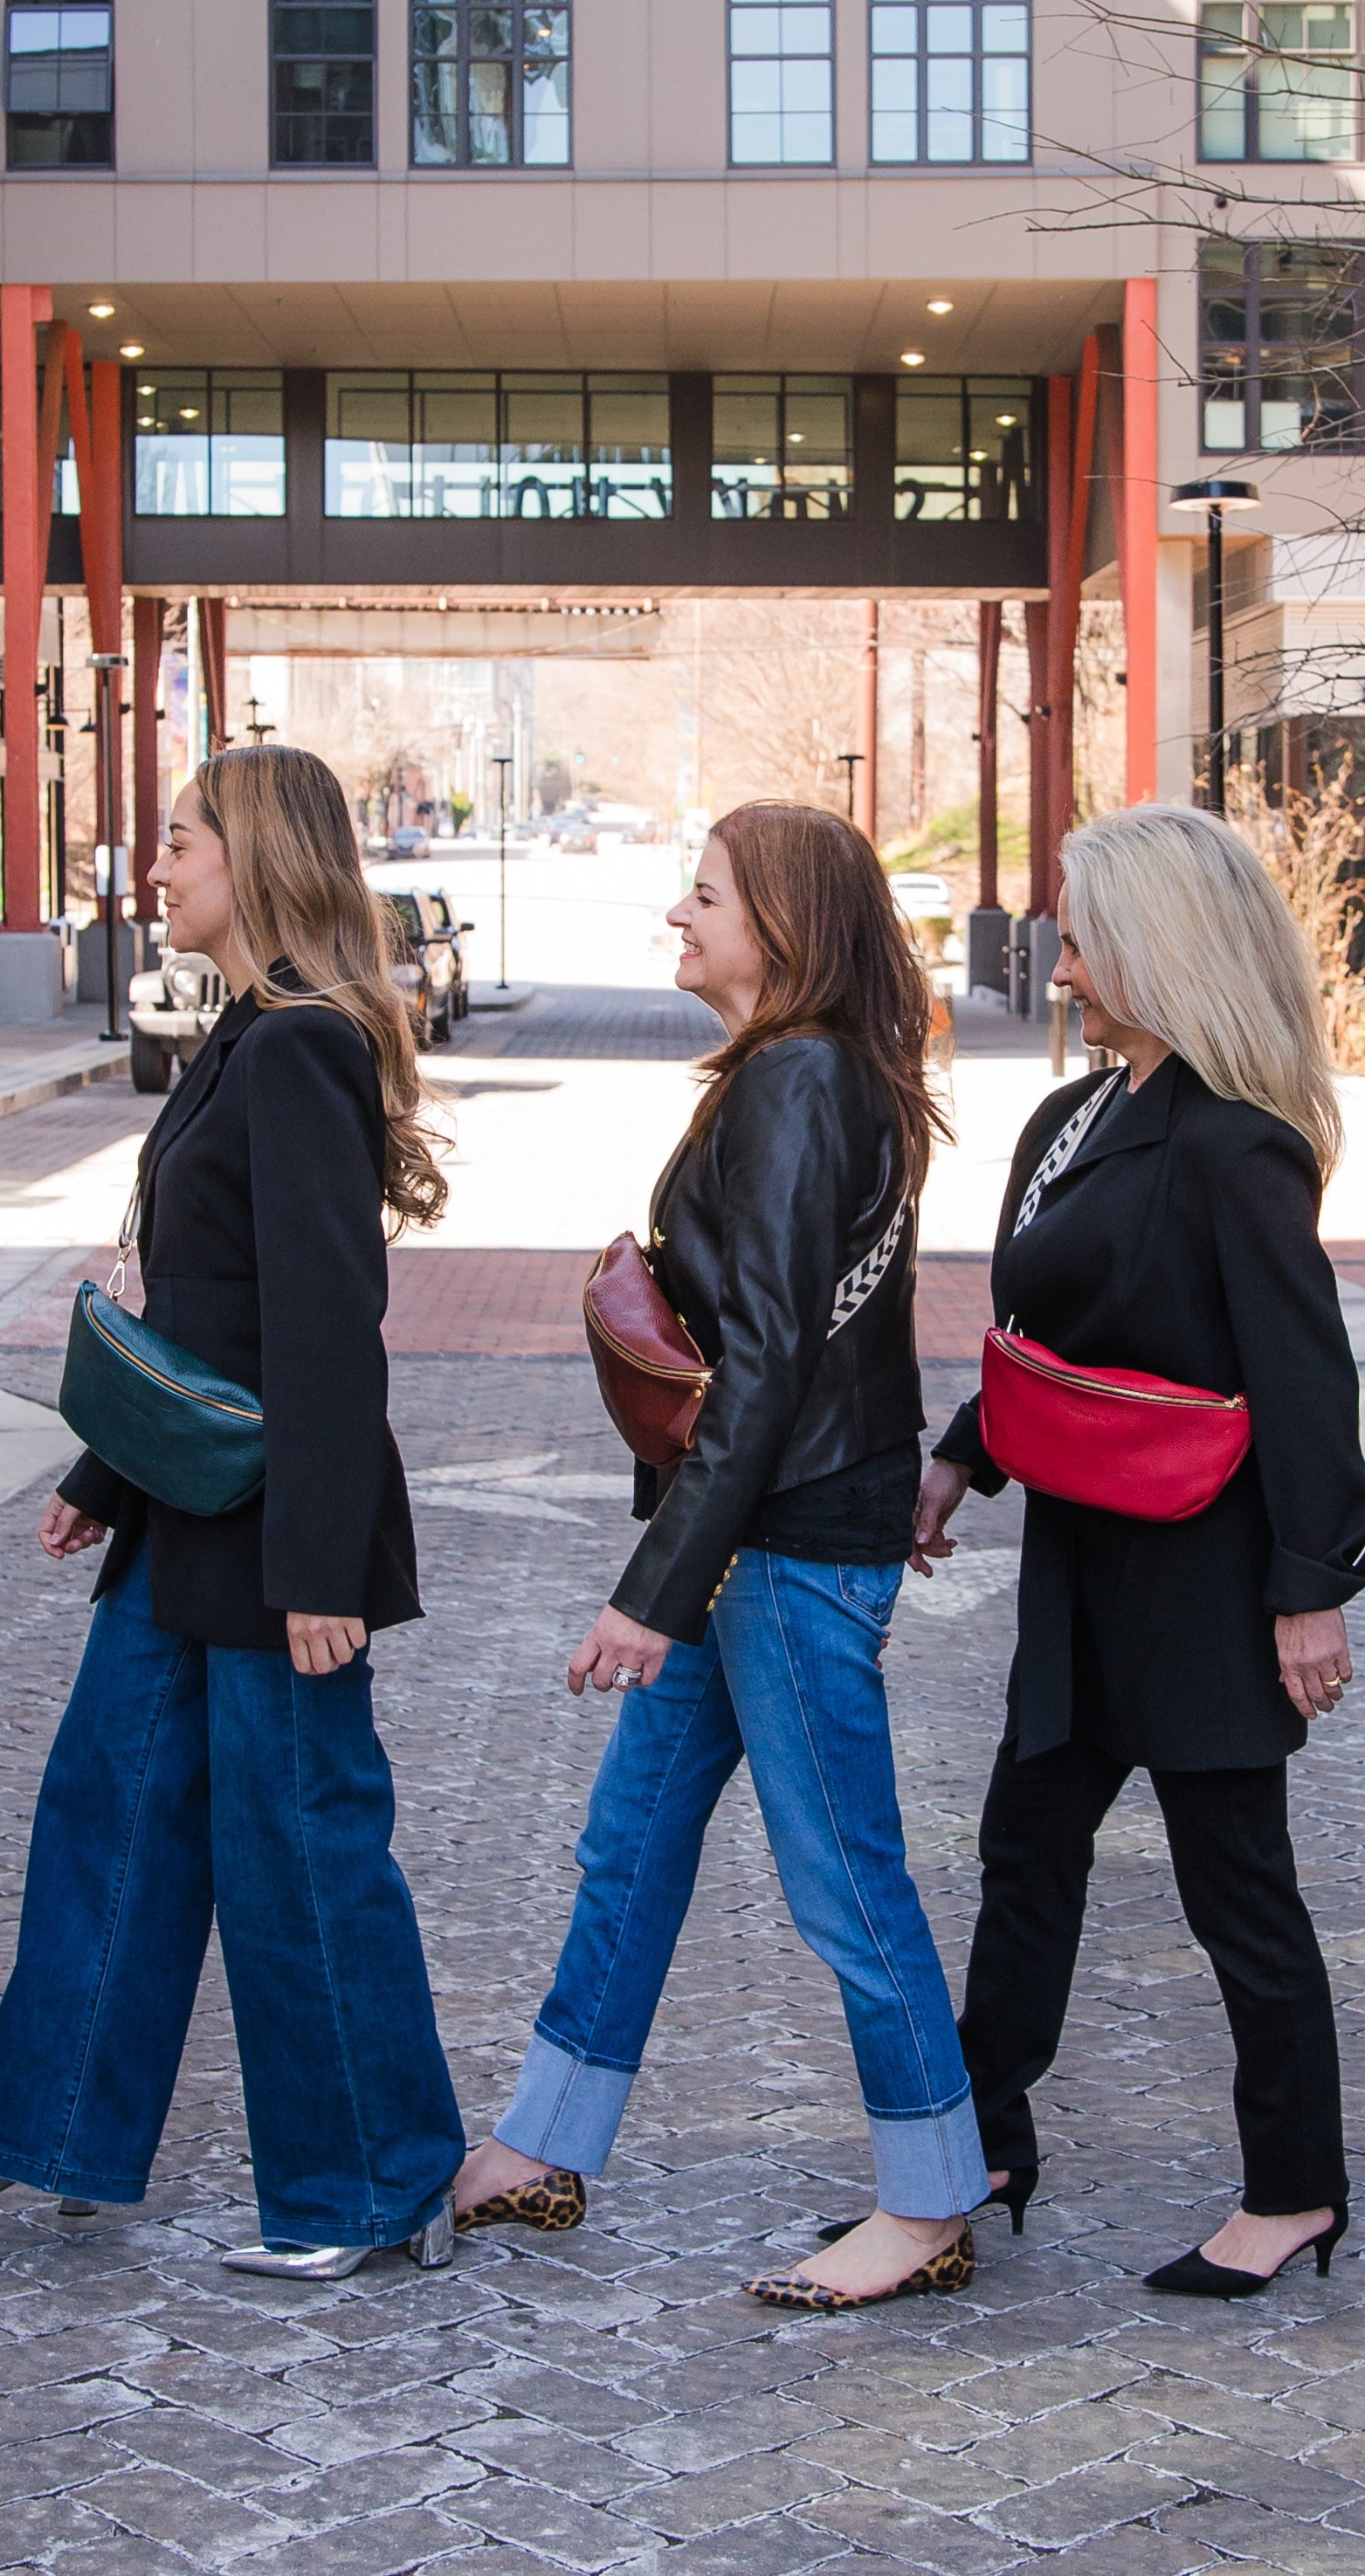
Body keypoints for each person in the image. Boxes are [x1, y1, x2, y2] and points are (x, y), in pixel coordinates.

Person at [0, 744, 466, 2280]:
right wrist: (102, 1474)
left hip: (280, 1531)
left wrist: (322, 1565)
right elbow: (207, 1310)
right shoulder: (242, 1036)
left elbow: (328, 1328)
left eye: (182, 837)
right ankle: (47, 2136)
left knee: (300, 1854)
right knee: (110, 1818)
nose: (157, 862)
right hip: (189, 1508)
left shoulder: (296, 1049)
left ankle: (374, 2188)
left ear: (260, 855)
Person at [445, 802, 992, 2310]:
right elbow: (824, 1342)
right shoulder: (795, 1075)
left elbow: (758, 1371)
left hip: (781, 1550)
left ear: (785, 928)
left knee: (843, 1883)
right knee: (625, 1851)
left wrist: (648, 1598)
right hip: (769, 1537)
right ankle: (544, 2143)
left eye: (702, 899)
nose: (675, 923)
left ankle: (933, 2196)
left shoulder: (799, 1081)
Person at [911, 802, 1365, 2301]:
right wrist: (962, 1453)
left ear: (1153, 940)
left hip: (1206, 1578)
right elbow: (1049, 1342)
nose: (1056, 946)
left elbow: (1306, 1380)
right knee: (1023, 1854)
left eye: (1078, 917)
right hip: (1077, 1569)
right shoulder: (1070, 1121)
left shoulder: (1238, 1147)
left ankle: (1296, 2186)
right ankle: (984, 2144)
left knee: (1235, 1888)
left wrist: (1310, 1590)